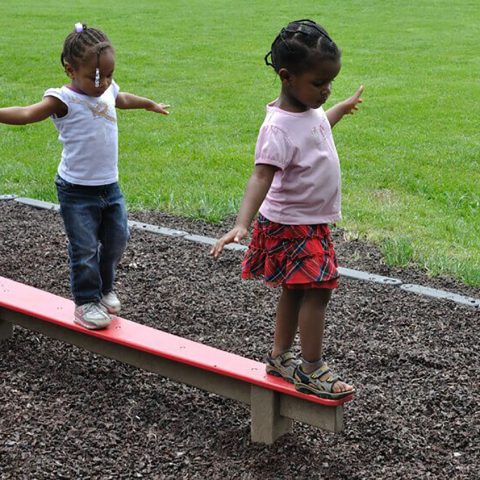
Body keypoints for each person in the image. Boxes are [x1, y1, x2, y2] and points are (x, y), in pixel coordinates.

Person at [211, 19, 362, 399]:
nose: (326, 90)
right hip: (292, 225)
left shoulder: (308, 108)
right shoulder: (276, 127)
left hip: (309, 222)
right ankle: (310, 368)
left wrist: (339, 110)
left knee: (296, 291)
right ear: (286, 76)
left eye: (331, 83)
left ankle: (280, 356)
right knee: (319, 289)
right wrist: (242, 224)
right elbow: (261, 176)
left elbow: (314, 131)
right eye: (319, 83)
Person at [0, 23, 169, 330]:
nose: (104, 82)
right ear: (69, 69)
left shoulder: (107, 89)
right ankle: (85, 302)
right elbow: (26, 114)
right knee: (85, 248)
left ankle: (104, 289)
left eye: (109, 74)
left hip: (109, 187)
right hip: (76, 191)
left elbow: (122, 98)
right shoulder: (62, 99)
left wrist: (148, 104)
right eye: (96, 76)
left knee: (118, 239)